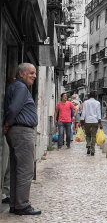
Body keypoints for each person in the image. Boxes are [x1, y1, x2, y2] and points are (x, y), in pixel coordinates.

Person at [2, 63, 41, 215]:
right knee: (25, 170)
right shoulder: (21, 87)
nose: (34, 75)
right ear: (21, 74)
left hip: (17, 131)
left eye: (35, 73)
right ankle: (22, 205)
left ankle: (14, 204)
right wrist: (7, 124)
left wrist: (8, 125)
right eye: (31, 73)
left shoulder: (16, 86)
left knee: (16, 169)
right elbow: (13, 109)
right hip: (22, 132)